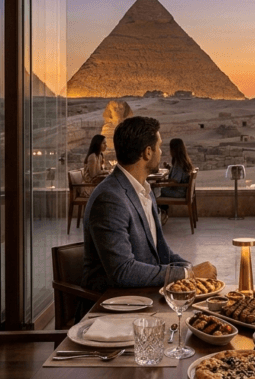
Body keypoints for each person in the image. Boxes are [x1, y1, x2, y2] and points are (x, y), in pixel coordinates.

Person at [81, 116, 213, 293]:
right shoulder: (109, 199)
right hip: (115, 303)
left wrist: (189, 268)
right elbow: (123, 272)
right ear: (147, 152)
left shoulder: (144, 190)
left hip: (145, 291)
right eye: (159, 146)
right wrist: (187, 274)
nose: (161, 152)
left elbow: (162, 251)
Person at [156, 137, 194, 224]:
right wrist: (169, 167)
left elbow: (175, 181)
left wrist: (162, 182)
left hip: (179, 192)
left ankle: (161, 215)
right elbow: (178, 174)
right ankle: (164, 212)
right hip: (182, 191)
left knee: (155, 191)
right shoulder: (181, 161)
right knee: (159, 190)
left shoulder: (179, 163)